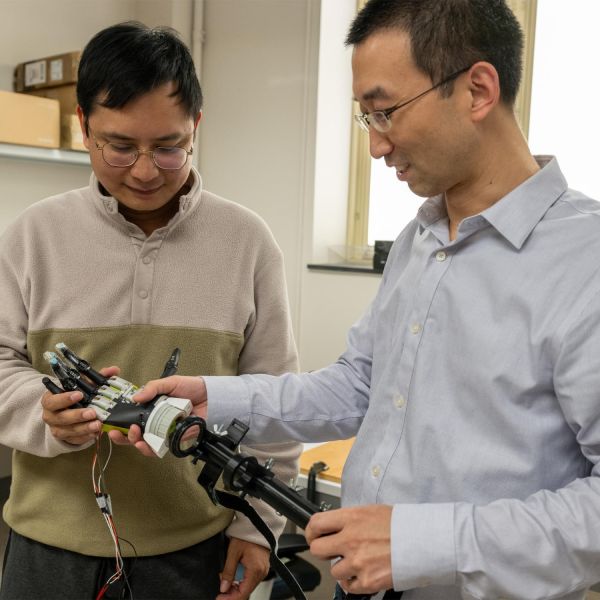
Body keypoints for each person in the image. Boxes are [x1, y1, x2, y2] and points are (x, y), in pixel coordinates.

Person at [129, 1, 600, 599]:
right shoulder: (422, 237)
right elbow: (359, 386)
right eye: (365, 119)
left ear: (478, 90)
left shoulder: (585, 261)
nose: (376, 147)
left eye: (385, 113)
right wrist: (214, 398)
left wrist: (424, 544)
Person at [0, 21, 301, 600]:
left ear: (196, 128)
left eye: (168, 147)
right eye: (120, 146)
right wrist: (44, 412)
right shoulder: (33, 236)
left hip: (191, 555)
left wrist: (258, 526)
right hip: (46, 554)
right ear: (84, 127)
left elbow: (274, 392)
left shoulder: (247, 241)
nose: (144, 171)